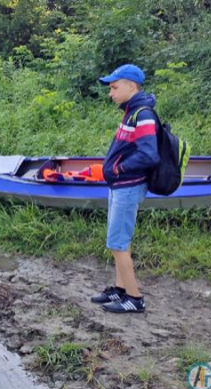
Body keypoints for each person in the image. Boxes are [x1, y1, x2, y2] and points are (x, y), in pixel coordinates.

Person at [91, 64, 159, 313]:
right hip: (119, 186)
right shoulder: (130, 111)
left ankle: (134, 299)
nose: (111, 93)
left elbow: (149, 154)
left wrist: (119, 169)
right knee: (120, 241)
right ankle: (120, 290)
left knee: (116, 243)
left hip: (127, 187)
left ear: (131, 86)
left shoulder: (143, 114)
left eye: (114, 87)